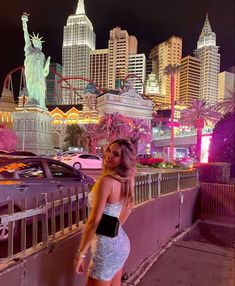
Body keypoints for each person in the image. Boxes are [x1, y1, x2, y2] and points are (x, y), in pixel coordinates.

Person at [74, 138, 137, 286]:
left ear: (123, 160)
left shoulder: (106, 182)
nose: (108, 155)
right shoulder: (127, 180)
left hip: (106, 249)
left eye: (115, 154)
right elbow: (128, 208)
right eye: (109, 150)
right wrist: (113, 230)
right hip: (121, 243)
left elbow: (92, 223)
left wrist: (80, 254)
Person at [21, 13, 51, 108]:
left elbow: (45, 71)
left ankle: (40, 103)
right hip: (31, 73)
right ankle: (33, 100)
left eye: (37, 42)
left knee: (40, 88)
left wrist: (48, 63)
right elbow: (26, 35)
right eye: (34, 41)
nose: (36, 42)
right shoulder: (29, 49)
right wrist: (24, 22)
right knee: (32, 86)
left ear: (40, 44)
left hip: (40, 76)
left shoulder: (42, 55)